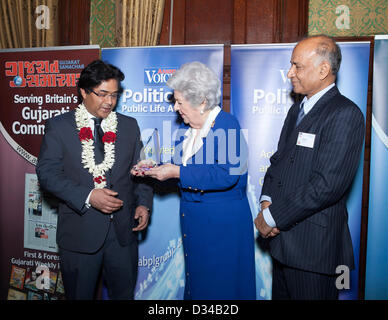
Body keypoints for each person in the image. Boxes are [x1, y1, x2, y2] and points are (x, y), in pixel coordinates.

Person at [254, 35, 365, 299]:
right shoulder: (297, 110)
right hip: (282, 247)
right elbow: (278, 162)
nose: (290, 73)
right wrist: (266, 201)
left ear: (323, 70)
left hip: (315, 252)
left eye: (297, 66)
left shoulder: (345, 114)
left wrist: (272, 217)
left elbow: (327, 185)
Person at [134, 61, 256, 299]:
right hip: (196, 228)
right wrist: (153, 169)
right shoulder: (187, 132)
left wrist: (176, 172)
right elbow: (179, 172)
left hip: (222, 230)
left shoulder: (227, 124)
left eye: (180, 101)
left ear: (201, 101)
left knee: (221, 290)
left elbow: (227, 175)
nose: (176, 107)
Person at [36, 60, 153, 300]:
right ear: (83, 92)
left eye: (114, 95)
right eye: (102, 94)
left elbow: (140, 170)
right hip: (80, 235)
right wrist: (88, 196)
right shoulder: (59, 127)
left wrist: (143, 203)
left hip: (123, 234)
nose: (109, 102)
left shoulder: (129, 126)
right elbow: (47, 174)